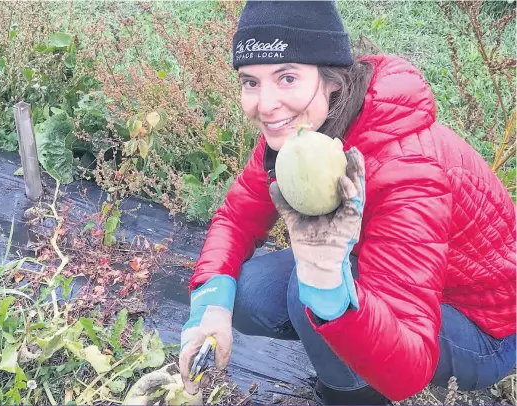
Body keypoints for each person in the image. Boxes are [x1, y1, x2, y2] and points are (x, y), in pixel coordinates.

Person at [178, 1, 517, 405]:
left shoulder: (406, 169)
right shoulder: (305, 132)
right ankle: (340, 340)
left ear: (332, 80)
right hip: (396, 273)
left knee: (306, 287)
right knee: (246, 293)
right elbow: (237, 216)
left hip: (486, 328)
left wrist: (328, 288)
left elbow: (412, 367)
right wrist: (210, 304)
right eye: (250, 81)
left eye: (287, 78)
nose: (265, 104)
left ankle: (351, 394)